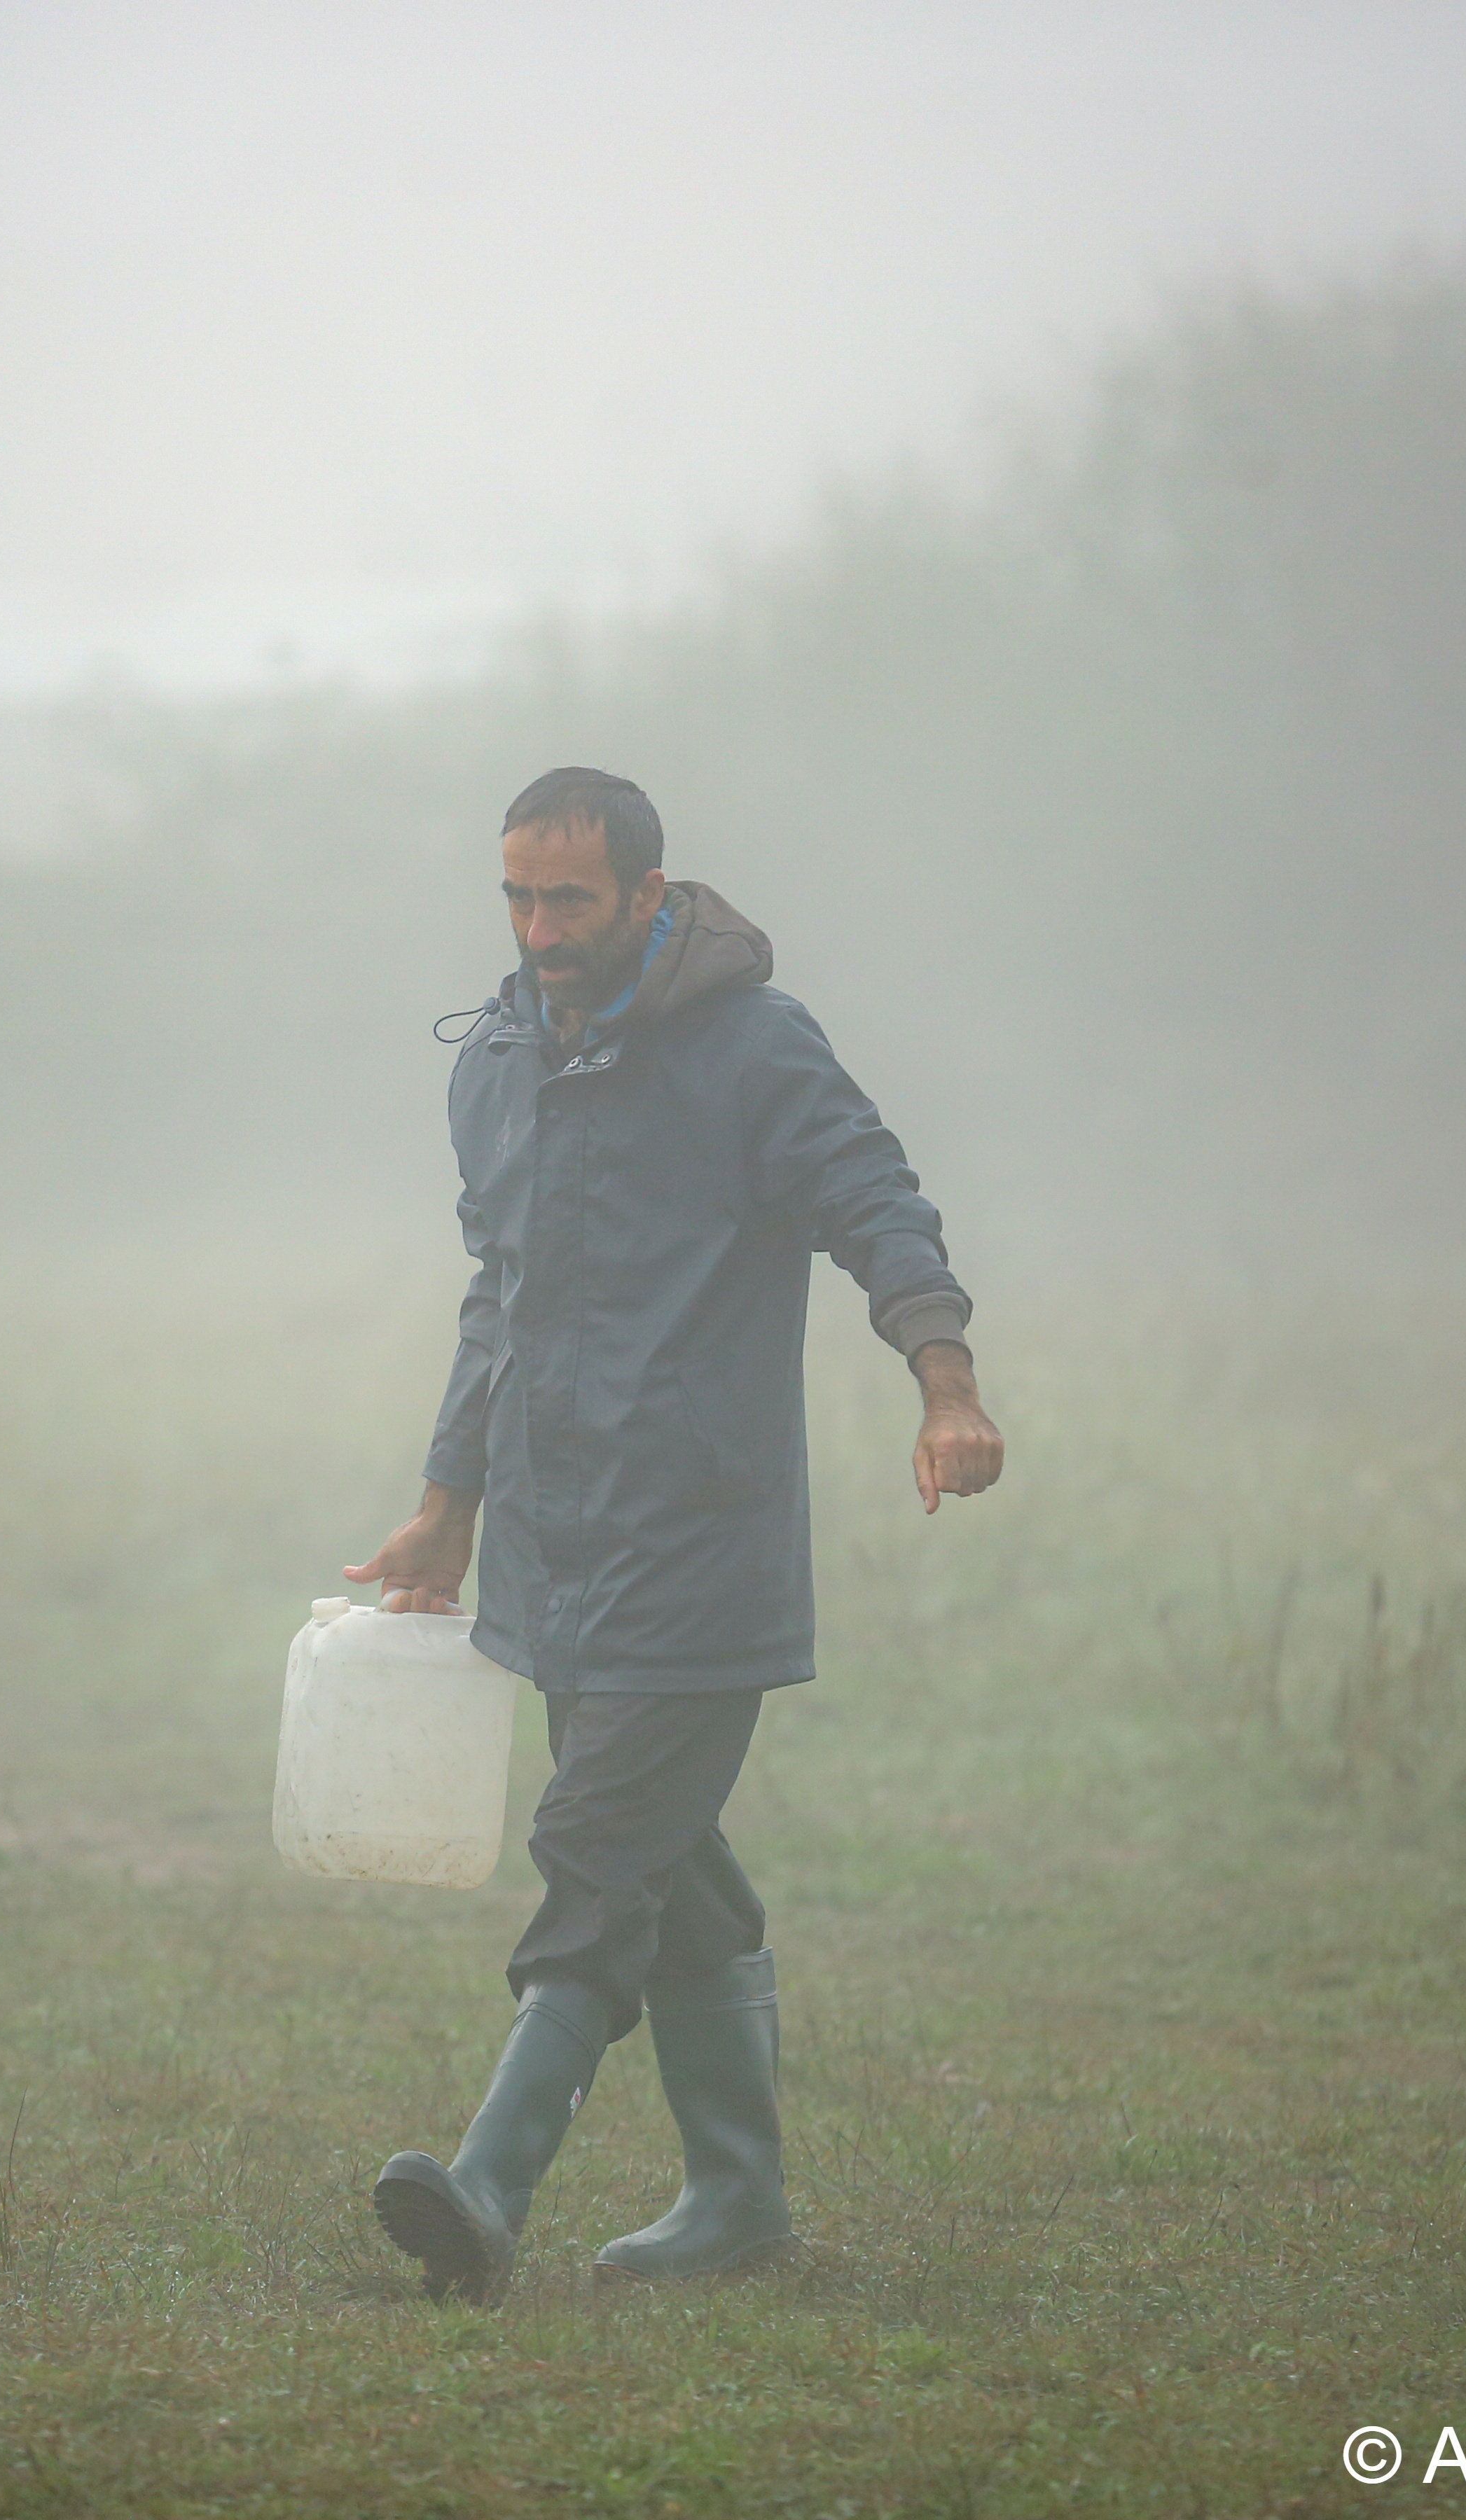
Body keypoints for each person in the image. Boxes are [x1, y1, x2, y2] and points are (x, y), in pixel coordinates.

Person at [346, 765, 1003, 2302]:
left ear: (649, 893)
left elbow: (877, 1202)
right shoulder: (496, 1059)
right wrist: (449, 1507)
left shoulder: (753, 1049)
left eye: (567, 897)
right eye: (514, 894)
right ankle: (738, 2201)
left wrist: (945, 1384)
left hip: (700, 1544)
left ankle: (487, 2189)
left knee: (592, 1854)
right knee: (669, 1871)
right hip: (554, 1550)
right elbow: (496, 1297)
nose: (535, 927)